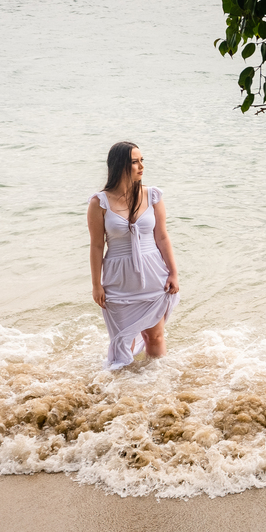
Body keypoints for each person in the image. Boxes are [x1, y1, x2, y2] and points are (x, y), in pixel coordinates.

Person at [86, 141, 180, 369]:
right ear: (119, 166)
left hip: (152, 273)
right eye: (135, 162)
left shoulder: (153, 195)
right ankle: (123, 389)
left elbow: (162, 237)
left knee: (155, 336)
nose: (141, 166)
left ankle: (156, 381)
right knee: (122, 341)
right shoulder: (99, 203)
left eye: (142, 161)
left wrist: (173, 273)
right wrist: (96, 285)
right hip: (118, 279)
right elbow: (97, 246)